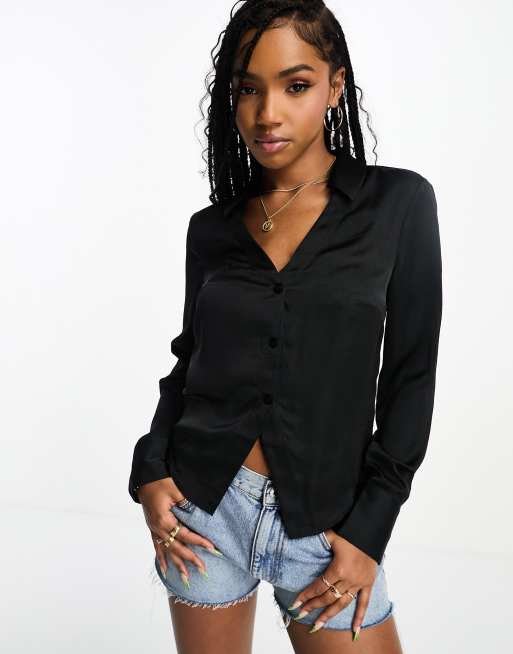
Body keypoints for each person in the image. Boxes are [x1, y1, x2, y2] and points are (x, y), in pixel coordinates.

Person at [128, 2, 443, 652]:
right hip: (203, 511)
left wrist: (369, 530)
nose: (267, 113)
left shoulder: (398, 204)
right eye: (248, 89)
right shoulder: (212, 230)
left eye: (295, 85)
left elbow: (410, 377)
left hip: (326, 526)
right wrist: (150, 469)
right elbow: (191, 360)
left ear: (334, 86)